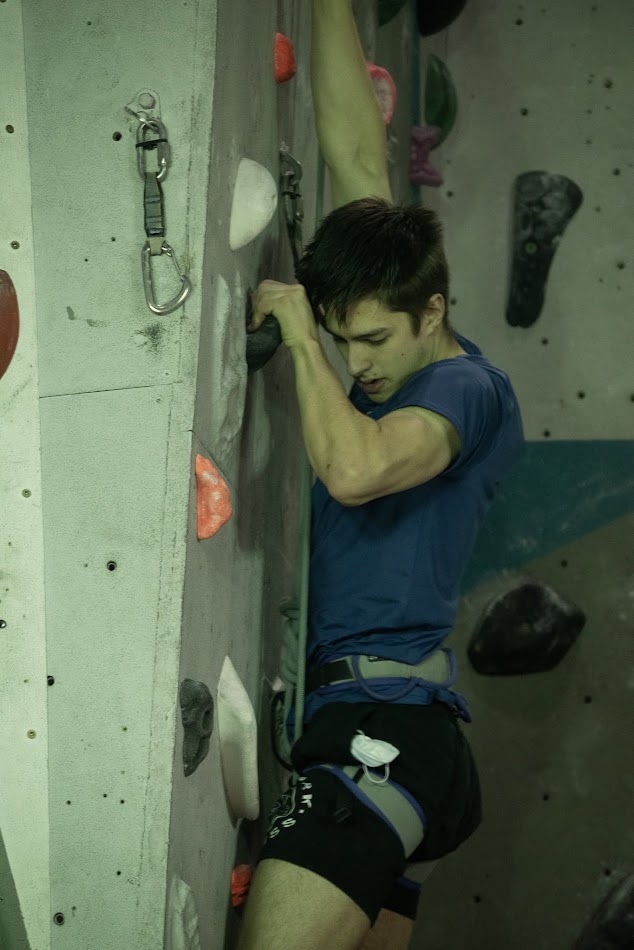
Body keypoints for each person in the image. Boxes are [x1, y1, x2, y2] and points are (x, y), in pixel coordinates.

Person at [239, 2, 525, 949]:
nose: (356, 362)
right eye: (342, 338)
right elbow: (359, 158)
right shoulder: (391, 343)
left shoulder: (468, 387)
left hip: (384, 726)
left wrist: (296, 331)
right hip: (385, 730)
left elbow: (356, 472)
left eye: (371, 341)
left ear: (432, 309)